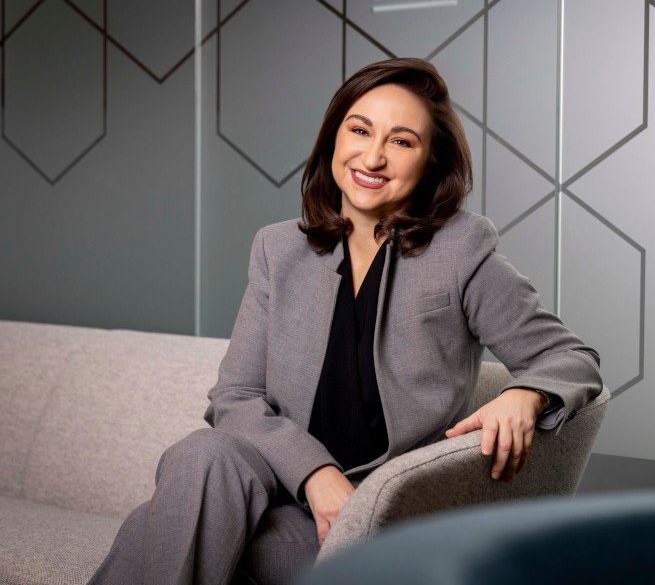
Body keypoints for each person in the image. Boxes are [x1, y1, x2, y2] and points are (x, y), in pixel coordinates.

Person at [90, 58, 602, 585]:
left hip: (373, 520)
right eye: (359, 130)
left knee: (165, 528)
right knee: (202, 455)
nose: (373, 156)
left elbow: (573, 360)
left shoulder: (460, 252)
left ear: (430, 162)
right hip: (280, 496)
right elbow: (235, 397)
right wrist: (316, 473)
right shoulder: (279, 249)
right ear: (334, 137)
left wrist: (527, 394)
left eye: (402, 142)